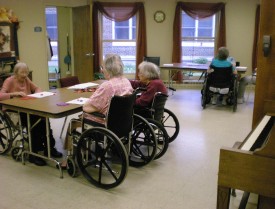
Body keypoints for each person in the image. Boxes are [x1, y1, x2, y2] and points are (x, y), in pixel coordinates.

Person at [63, 54, 133, 155]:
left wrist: (88, 102)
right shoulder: (126, 81)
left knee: (73, 122)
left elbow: (87, 107)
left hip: (105, 125)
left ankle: (71, 157)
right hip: (122, 123)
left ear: (108, 69)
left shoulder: (107, 86)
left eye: (102, 67)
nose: (102, 70)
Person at [1, 62, 62, 166]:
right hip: (14, 111)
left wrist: (37, 92)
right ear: (16, 73)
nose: (25, 75)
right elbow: (1, 95)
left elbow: (37, 88)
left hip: (28, 107)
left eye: (26, 72)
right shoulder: (9, 80)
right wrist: (14, 94)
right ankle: (33, 154)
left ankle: (49, 148)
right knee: (34, 124)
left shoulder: (26, 79)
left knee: (44, 119)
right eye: (22, 72)